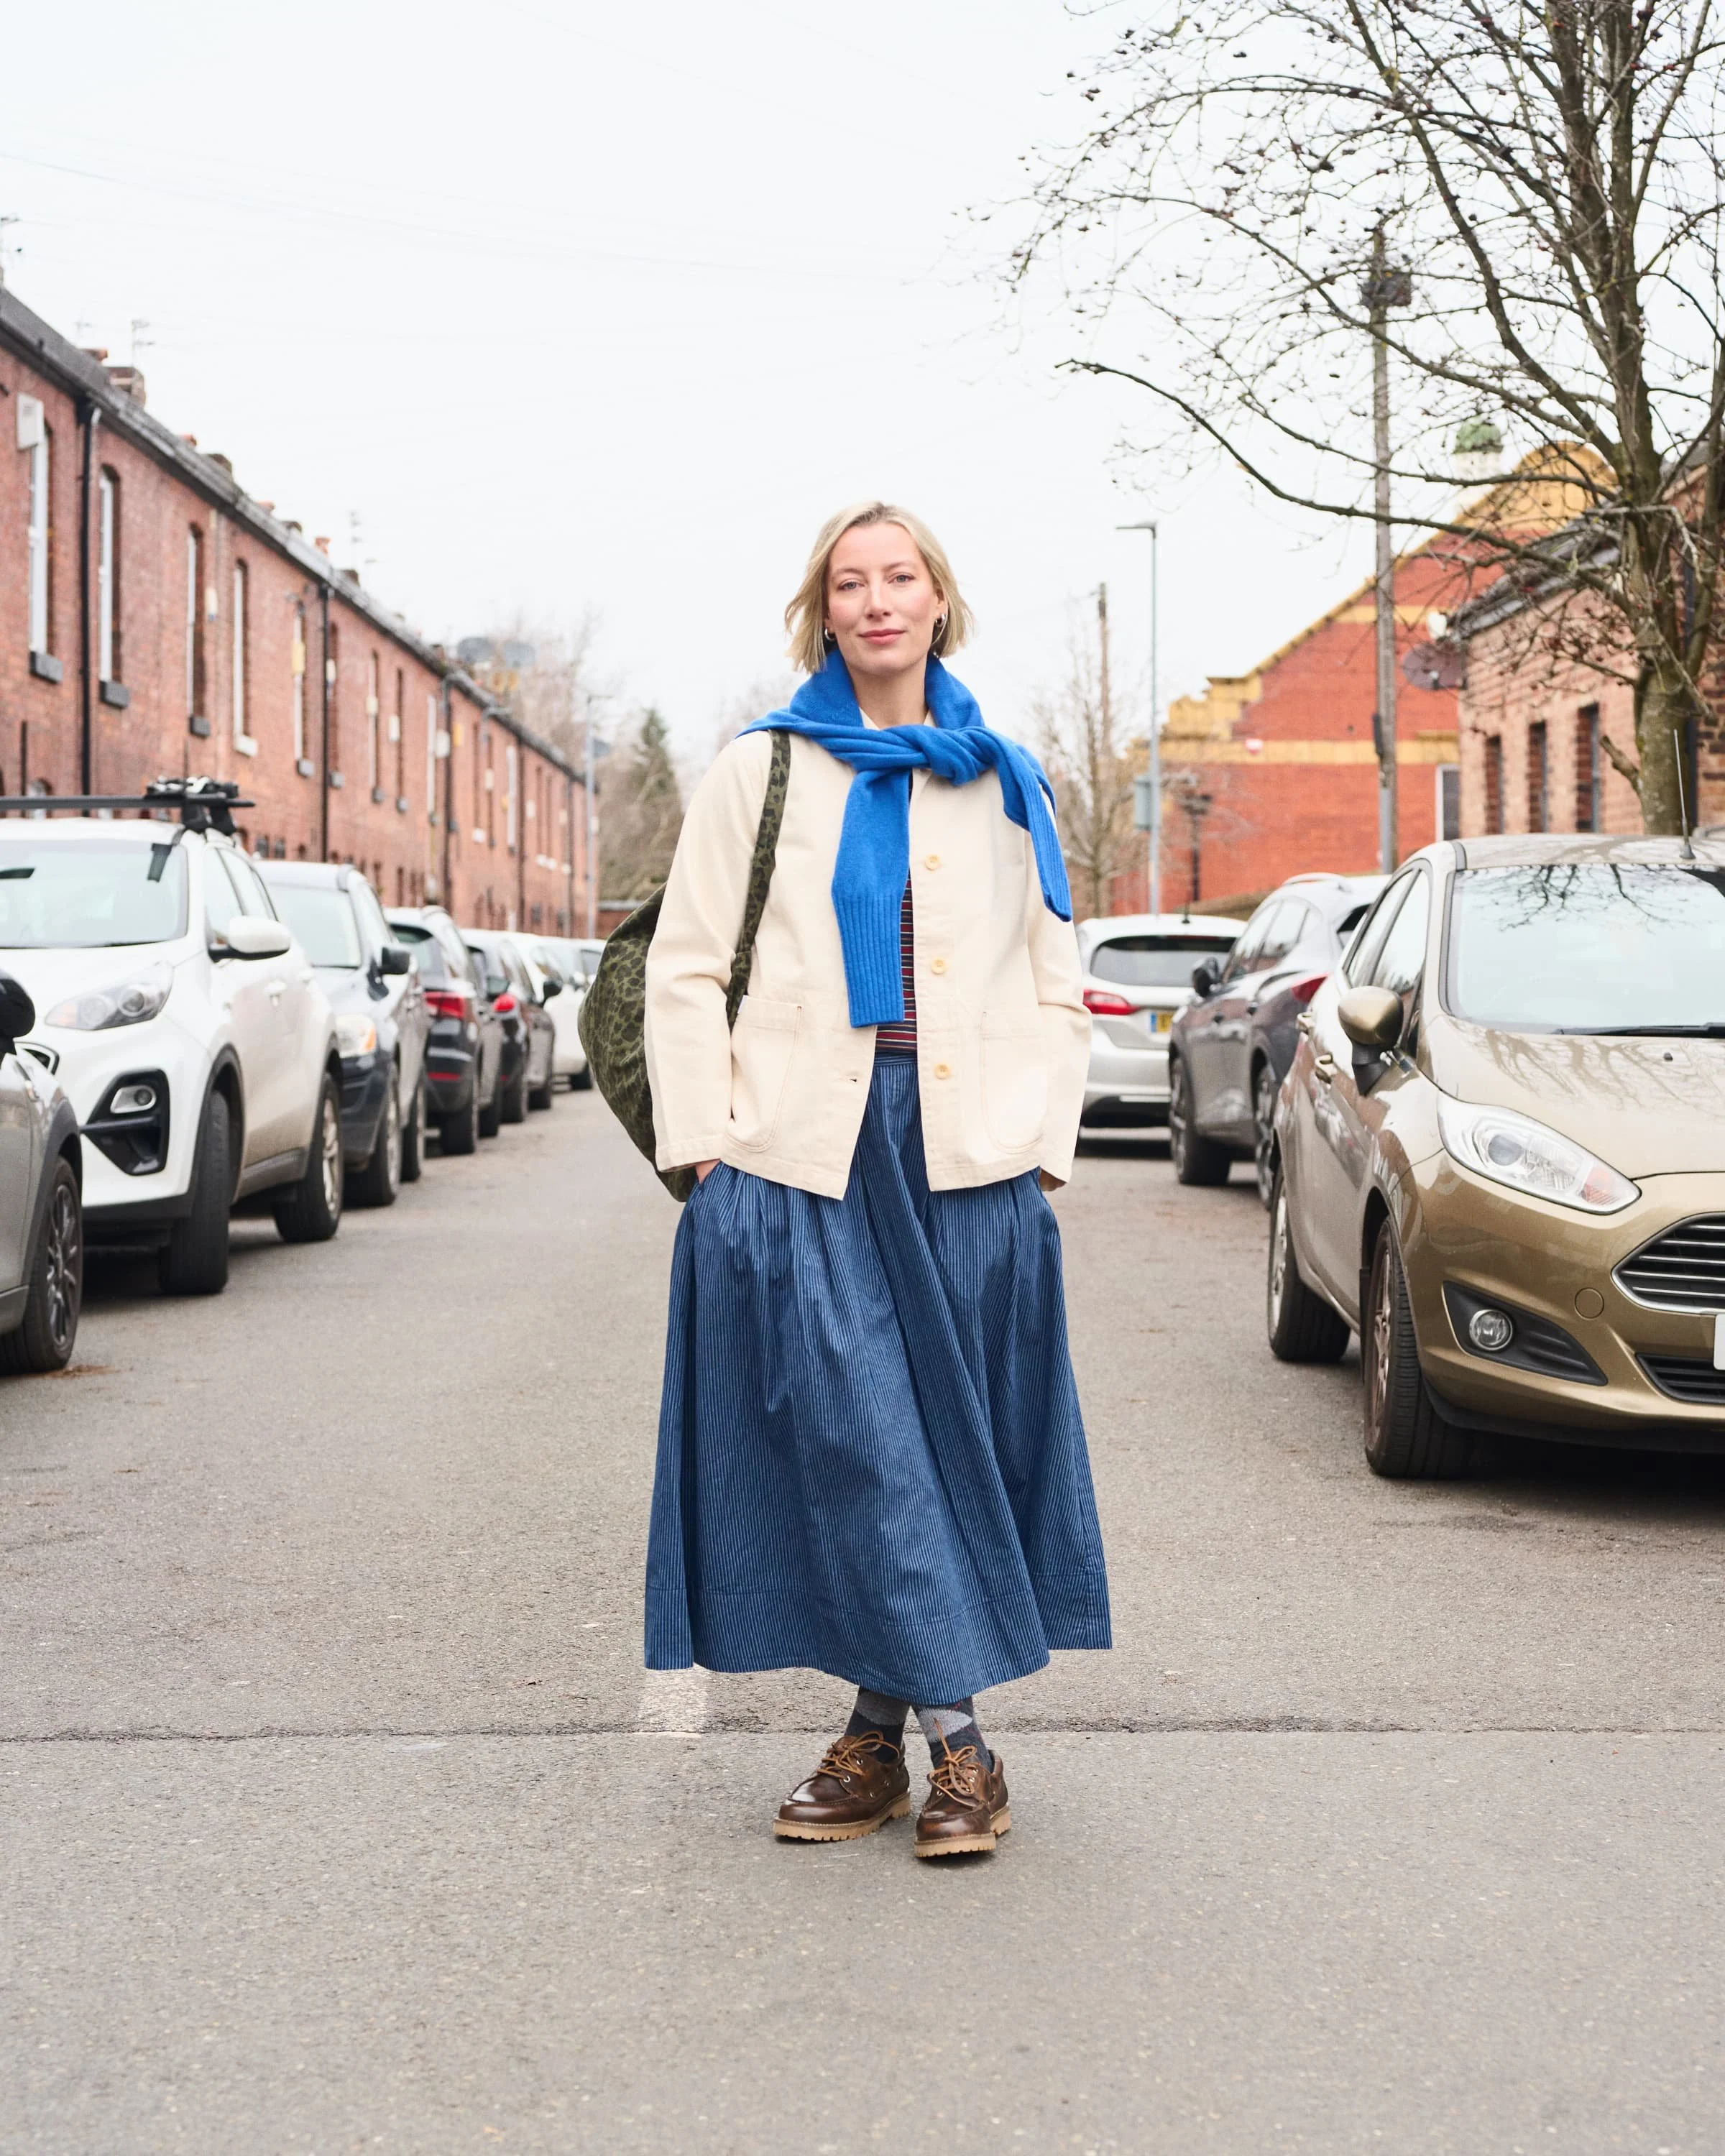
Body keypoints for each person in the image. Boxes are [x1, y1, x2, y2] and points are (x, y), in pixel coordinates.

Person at [642, 500, 1109, 1857]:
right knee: (860, 1438)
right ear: (824, 611)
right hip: (808, 1148)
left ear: (938, 601)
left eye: (900, 577)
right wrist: (706, 1147)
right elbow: (684, 966)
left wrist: (1047, 1146)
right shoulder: (763, 771)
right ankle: (961, 1748)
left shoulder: (1004, 777)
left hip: (968, 1158)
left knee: (938, 1446)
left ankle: (870, 1737)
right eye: (851, 582)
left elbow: (1053, 976)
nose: (877, 600)